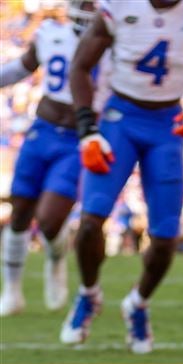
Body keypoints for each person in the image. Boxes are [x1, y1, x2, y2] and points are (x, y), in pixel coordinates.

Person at [61, 0, 183, 354]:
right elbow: (81, 66)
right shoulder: (119, 5)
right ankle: (89, 295)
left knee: (164, 237)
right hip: (120, 118)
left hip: (166, 126)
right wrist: (87, 130)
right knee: (89, 221)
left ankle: (138, 303)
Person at [0, 0, 95, 317]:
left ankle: (56, 257)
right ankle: (12, 290)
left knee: (51, 219)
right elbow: (21, 68)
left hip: (77, 139)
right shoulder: (50, 33)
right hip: (42, 130)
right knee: (19, 212)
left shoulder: (113, 41)